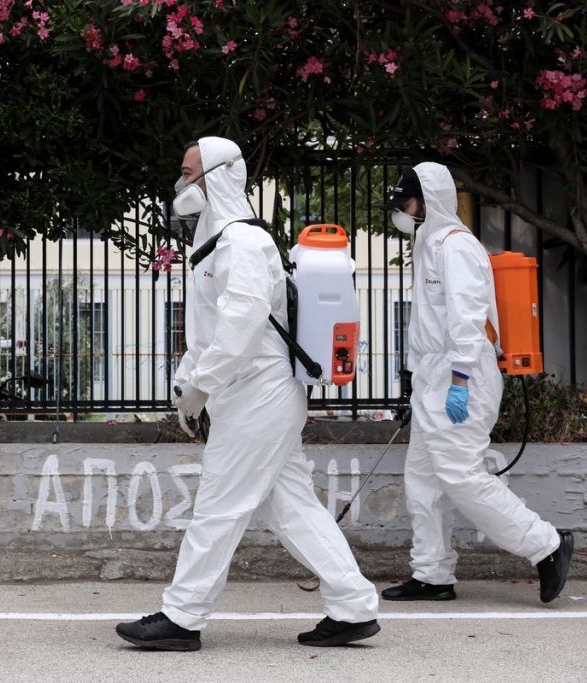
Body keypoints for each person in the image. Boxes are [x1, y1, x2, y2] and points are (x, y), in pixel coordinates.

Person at [115, 137, 380, 651]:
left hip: (261, 395)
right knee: (292, 507)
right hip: (246, 395)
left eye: (189, 173)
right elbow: (208, 332)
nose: (181, 183)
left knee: (220, 503)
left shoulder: (243, 242)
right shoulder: (216, 244)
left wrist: (200, 386)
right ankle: (353, 607)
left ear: (216, 176)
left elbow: (242, 323)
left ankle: (182, 617)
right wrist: (187, 386)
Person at [382, 162, 574, 603]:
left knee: (461, 477)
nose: (401, 212)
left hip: (461, 376)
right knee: (423, 482)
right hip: (434, 378)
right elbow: (428, 324)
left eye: (406, 203)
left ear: (429, 202)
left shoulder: (457, 247)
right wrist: (418, 381)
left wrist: (459, 379)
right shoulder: (427, 245)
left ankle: (546, 545)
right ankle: (432, 575)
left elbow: (467, 319)